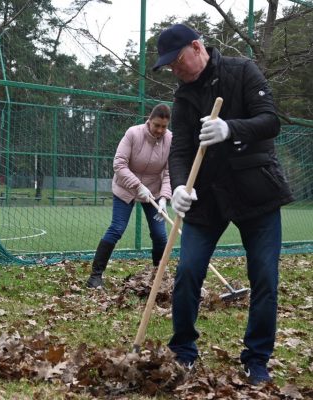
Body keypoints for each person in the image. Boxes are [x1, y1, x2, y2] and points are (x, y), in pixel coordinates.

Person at [152, 24, 294, 384]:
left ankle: (256, 357)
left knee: (264, 276)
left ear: (197, 47)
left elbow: (270, 121)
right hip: (207, 198)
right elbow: (181, 149)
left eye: (177, 61)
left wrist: (231, 129)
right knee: (187, 273)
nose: (175, 70)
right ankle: (183, 351)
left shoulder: (242, 70)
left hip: (255, 192)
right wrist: (181, 186)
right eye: (168, 66)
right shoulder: (182, 99)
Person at [86, 104, 172, 288]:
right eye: (156, 125)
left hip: (154, 192)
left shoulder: (170, 139)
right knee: (117, 228)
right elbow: (119, 164)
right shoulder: (133, 134)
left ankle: (159, 277)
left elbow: (169, 172)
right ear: (149, 120)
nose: (160, 130)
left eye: (164, 126)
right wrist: (137, 185)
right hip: (126, 187)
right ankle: (95, 276)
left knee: (160, 236)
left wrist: (164, 198)